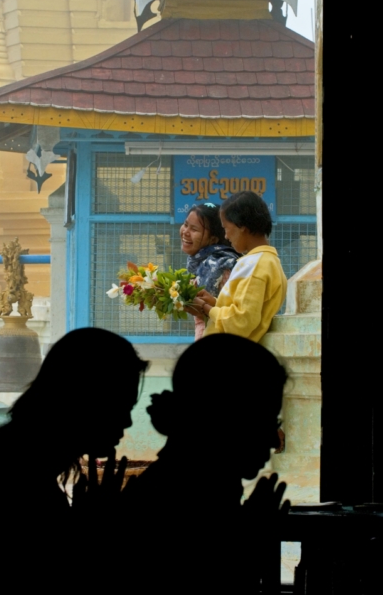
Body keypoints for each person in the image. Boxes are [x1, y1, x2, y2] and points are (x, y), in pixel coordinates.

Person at [0, 328, 148, 573]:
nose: (127, 422)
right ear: (84, 401)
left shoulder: (10, 452)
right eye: (119, 407)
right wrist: (93, 530)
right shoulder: (17, 472)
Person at [122, 334, 289, 590]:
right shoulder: (185, 503)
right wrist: (251, 543)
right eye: (262, 420)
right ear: (220, 420)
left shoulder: (184, 486)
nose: (272, 439)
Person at [189, 191, 287, 342]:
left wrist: (204, 308)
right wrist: (214, 302)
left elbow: (241, 322)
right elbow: (244, 310)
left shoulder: (255, 266)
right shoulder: (268, 262)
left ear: (241, 226)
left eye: (226, 228)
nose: (226, 236)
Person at [180, 202, 239, 339]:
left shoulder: (223, 267)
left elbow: (233, 315)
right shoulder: (199, 265)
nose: (185, 232)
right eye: (186, 224)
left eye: (194, 229)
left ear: (213, 239)